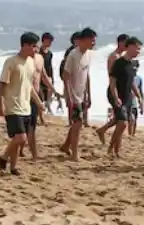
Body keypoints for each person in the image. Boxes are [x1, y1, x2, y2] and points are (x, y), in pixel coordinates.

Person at [0, 32, 43, 175]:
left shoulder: (30, 63)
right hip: (12, 105)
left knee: (19, 140)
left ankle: (13, 167)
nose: (36, 50)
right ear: (26, 45)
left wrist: (39, 102)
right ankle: (4, 157)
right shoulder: (11, 61)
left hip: (26, 106)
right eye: (34, 46)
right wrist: (0, 104)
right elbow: (1, 85)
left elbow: (29, 86)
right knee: (20, 137)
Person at [59, 28, 96, 161]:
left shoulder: (89, 54)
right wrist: (69, 97)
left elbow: (87, 76)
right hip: (73, 95)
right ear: (82, 40)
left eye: (94, 40)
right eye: (91, 40)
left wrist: (88, 95)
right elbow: (66, 77)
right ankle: (74, 154)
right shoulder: (73, 55)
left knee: (77, 123)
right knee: (78, 123)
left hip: (82, 94)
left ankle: (65, 146)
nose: (94, 42)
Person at [106, 37, 142, 159]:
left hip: (126, 97)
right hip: (115, 94)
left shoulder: (132, 64)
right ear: (129, 47)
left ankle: (116, 151)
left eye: (140, 49)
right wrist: (116, 97)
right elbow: (112, 82)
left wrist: (139, 97)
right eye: (137, 48)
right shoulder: (119, 63)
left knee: (121, 124)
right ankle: (110, 149)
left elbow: (132, 83)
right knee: (122, 123)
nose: (138, 51)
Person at [94, 33, 129, 144]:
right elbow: (112, 76)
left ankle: (102, 130)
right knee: (121, 120)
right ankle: (112, 145)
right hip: (114, 90)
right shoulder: (114, 56)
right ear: (120, 43)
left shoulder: (123, 57)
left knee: (119, 118)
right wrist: (115, 94)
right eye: (126, 43)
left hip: (122, 91)